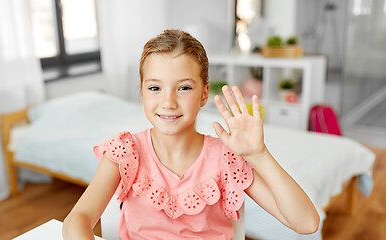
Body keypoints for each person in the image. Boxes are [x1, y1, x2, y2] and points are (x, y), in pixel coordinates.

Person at [62, 29, 319, 240]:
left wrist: (259, 156)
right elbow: (78, 219)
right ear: (141, 92)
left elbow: (306, 223)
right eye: (155, 88)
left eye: (184, 87)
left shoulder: (226, 158)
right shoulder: (125, 151)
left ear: (204, 94)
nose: (169, 102)